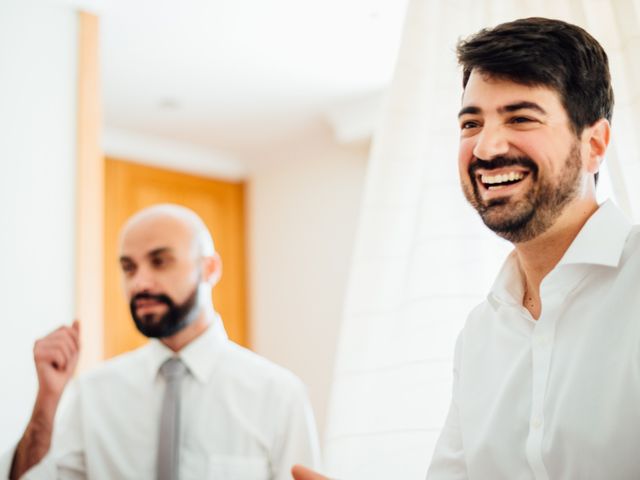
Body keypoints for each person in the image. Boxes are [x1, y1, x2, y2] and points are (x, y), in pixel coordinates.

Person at [292, 16, 640, 480]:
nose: (486, 146)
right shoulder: (480, 334)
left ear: (594, 144)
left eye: (520, 118)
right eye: (471, 123)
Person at [3, 203, 320, 479]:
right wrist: (47, 398)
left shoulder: (279, 396)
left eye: (160, 261)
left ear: (209, 268)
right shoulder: (93, 394)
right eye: (129, 268)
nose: (140, 282)